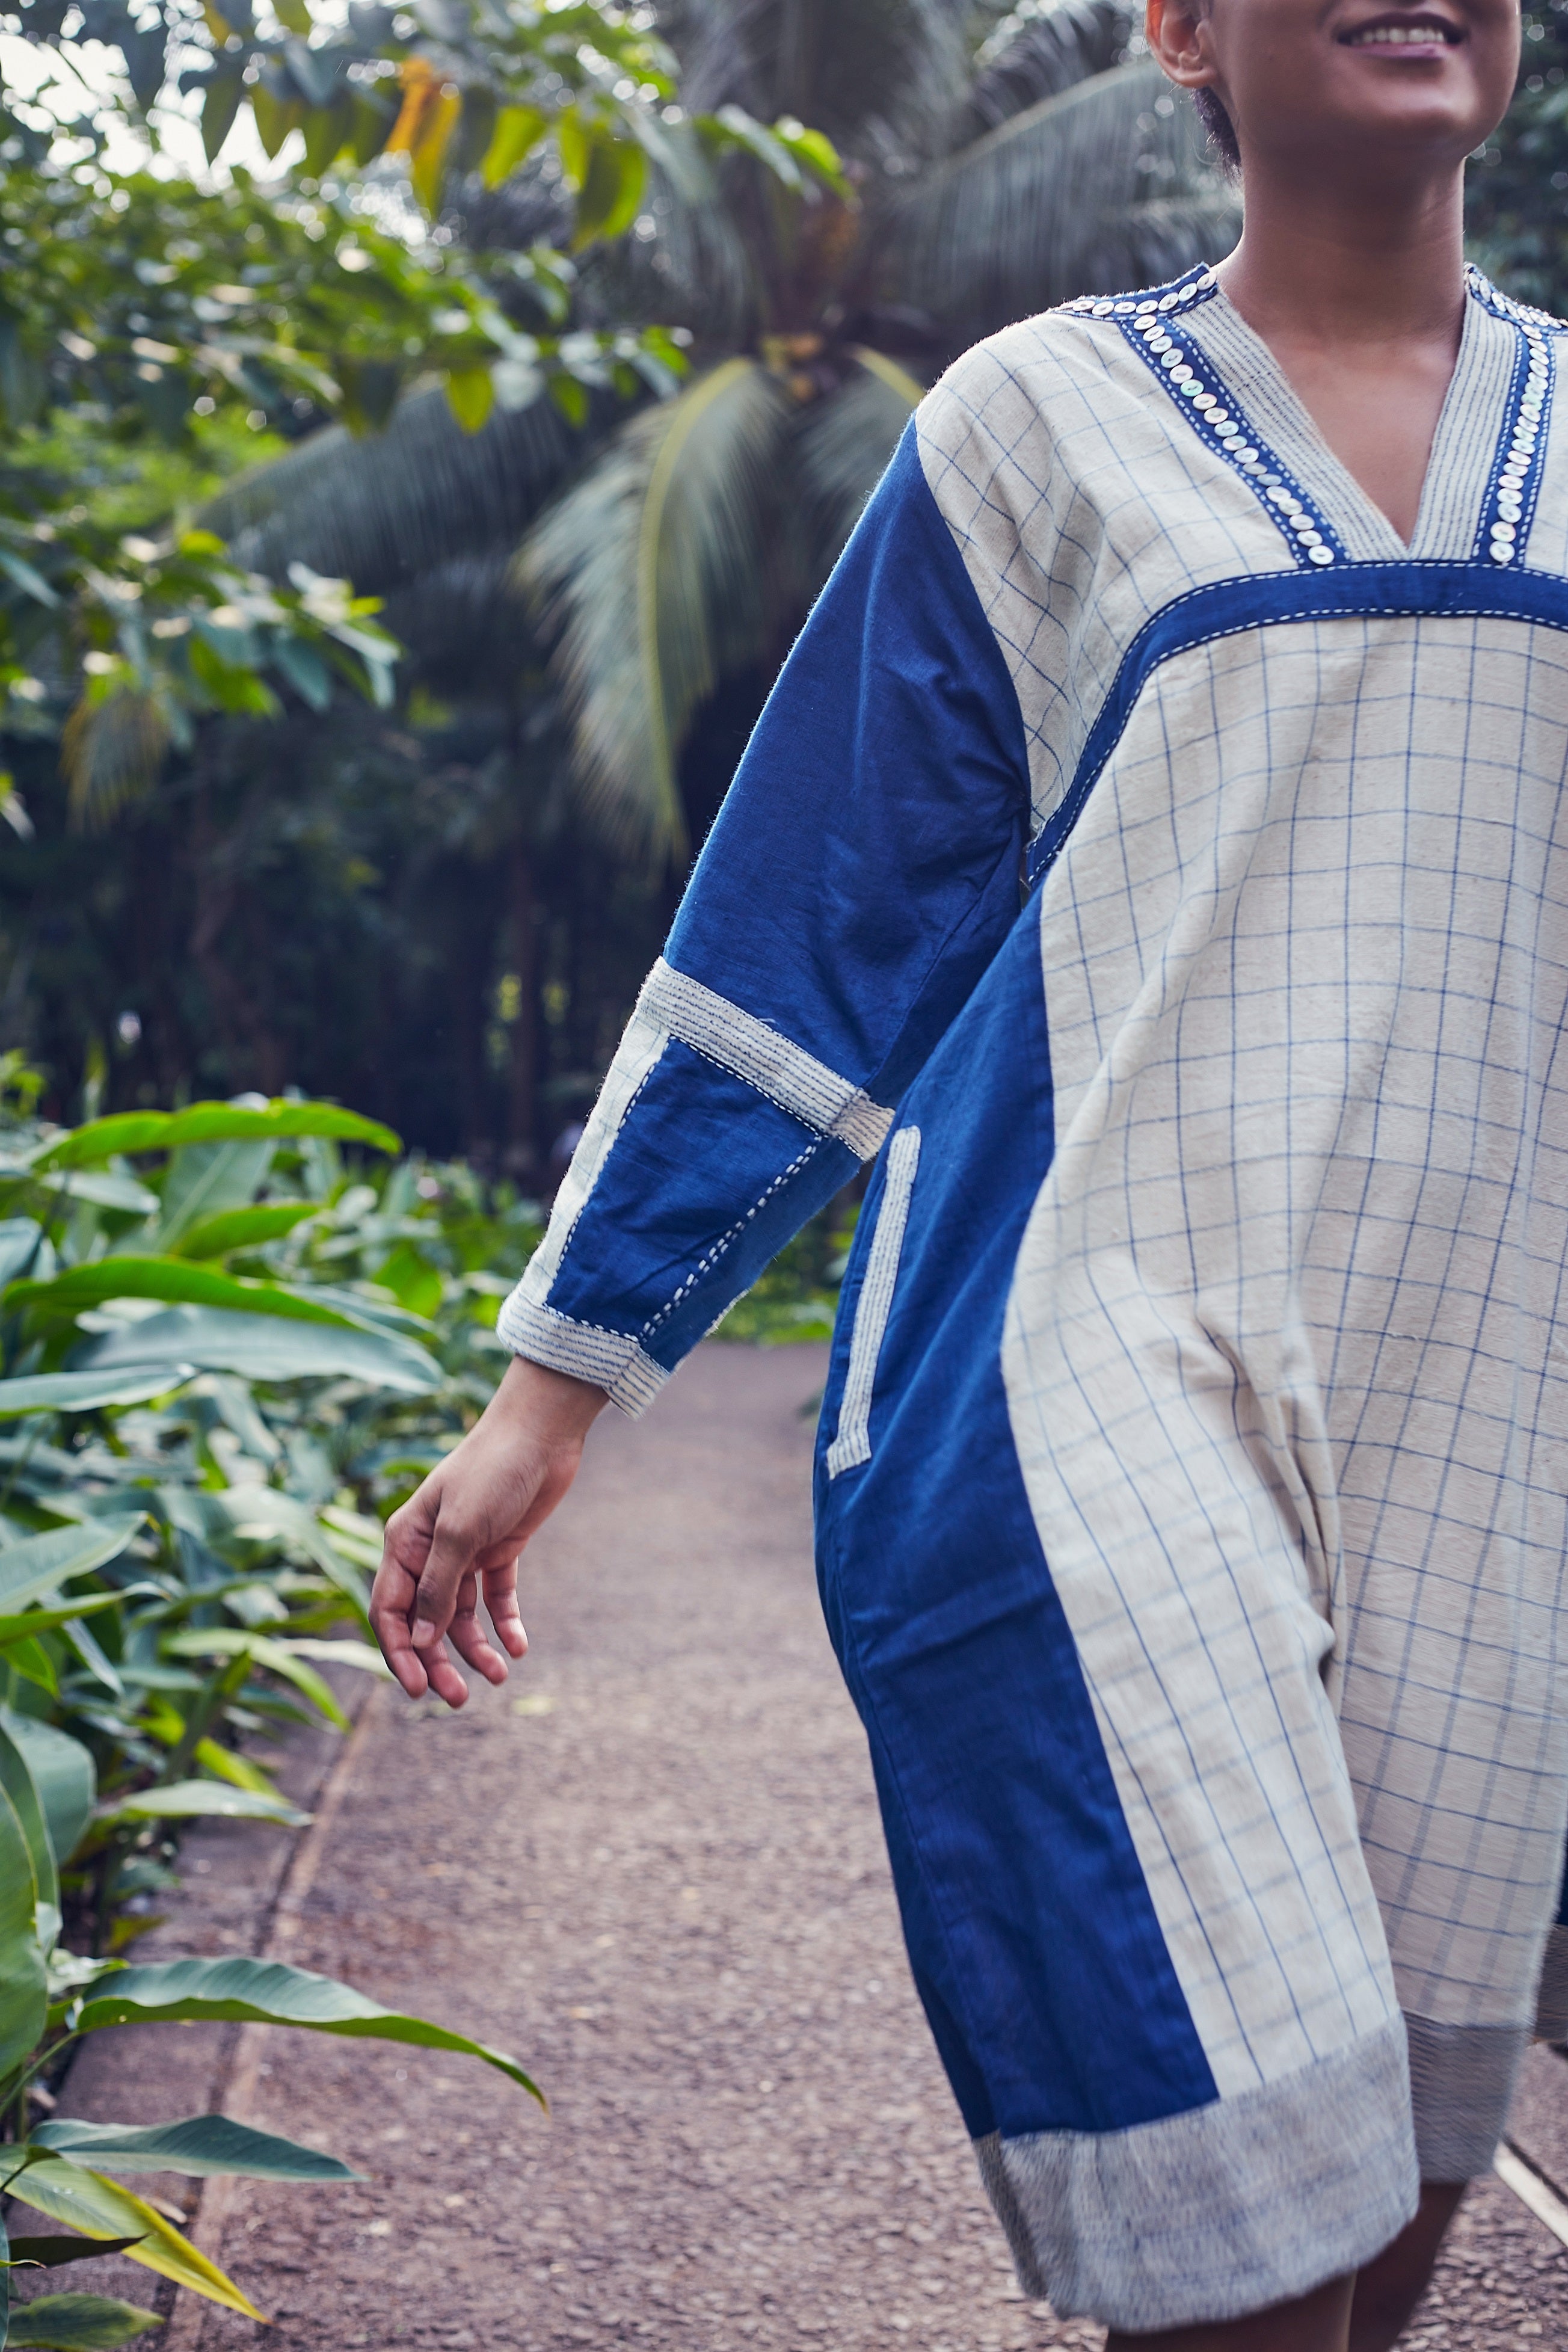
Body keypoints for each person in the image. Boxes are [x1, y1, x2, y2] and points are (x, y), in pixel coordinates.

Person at [370, 0, 1568, 2343]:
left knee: (1394, 2194)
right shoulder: (1040, 428)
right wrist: (555, 1386)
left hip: (1490, 1427)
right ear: (1181, 31)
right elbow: (813, 928)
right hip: (1098, 1376)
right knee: (1241, 2239)